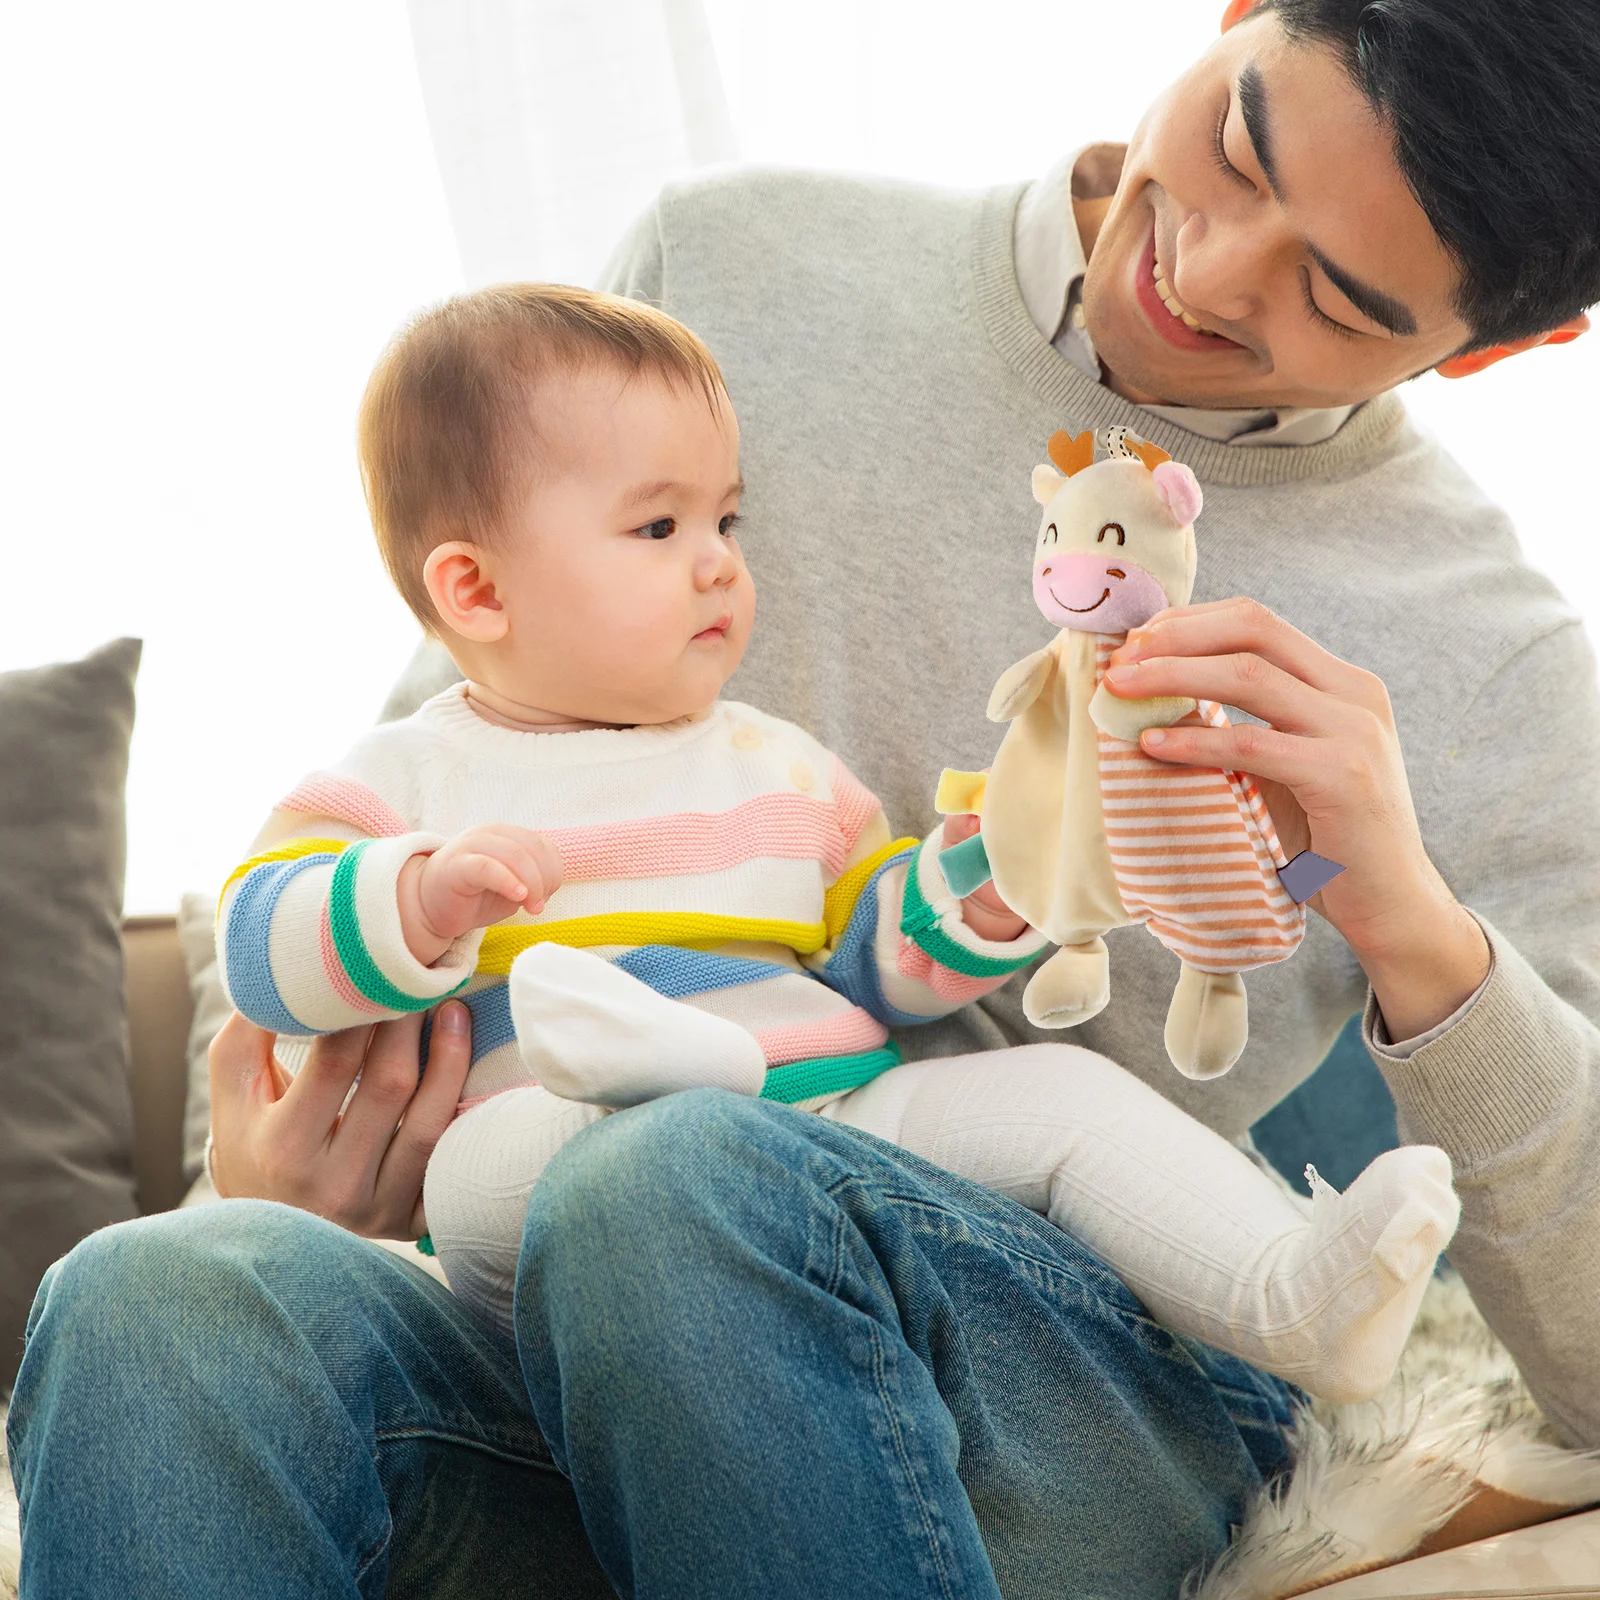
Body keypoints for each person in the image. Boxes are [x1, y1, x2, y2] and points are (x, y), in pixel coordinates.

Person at [10, 0, 1600, 1594]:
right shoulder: (730, 270)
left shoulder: (1487, 656)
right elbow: (455, 759)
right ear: (1242, 12)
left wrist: (1414, 927)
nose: (1209, 268)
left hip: (1040, 1373)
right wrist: (287, 1182)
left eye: (1333, 294)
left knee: (670, 1175)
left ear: (1505, 346)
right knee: (156, 1295)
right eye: (1241, 144)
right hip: (541, 1307)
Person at [213, 279, 1457, 1395]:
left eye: (727, 523)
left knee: (1065, 1091)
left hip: (833, 1131)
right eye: (660, 530)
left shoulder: (774, 759)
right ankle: (669, 1089)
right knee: (488, 1163)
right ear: (475, 591)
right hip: (561, 1197)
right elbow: (261, 945)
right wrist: (410, 900)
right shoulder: (411, 775)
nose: (718, 567)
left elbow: (874, 957)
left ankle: (1290, 1298)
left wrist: (984, 889)